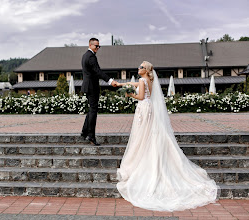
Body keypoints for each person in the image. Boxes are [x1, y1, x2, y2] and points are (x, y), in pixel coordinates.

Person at [115, 61, 219, 211]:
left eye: (141, 67)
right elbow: (135, 84)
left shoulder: (142, 80)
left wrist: (129, 94)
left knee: (142, 134)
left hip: (144, 108)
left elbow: (140, 96)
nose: (138, 68)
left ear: (145, 70)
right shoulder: (148, 80)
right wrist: (122, 84)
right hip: (149, 108)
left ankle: (140, 158)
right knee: (146, 133)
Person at [81, 38, 118, 146]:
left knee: (91, 109)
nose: (97, 48)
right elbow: (97, 71)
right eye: (96, 46)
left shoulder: (85, 55)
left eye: (98, 46)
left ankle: (84, 132)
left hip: (88, 86)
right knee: (93, 110)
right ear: (90, 45)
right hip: (92, 87)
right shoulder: (91, 57)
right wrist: (110, 81)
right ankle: (91, 136)